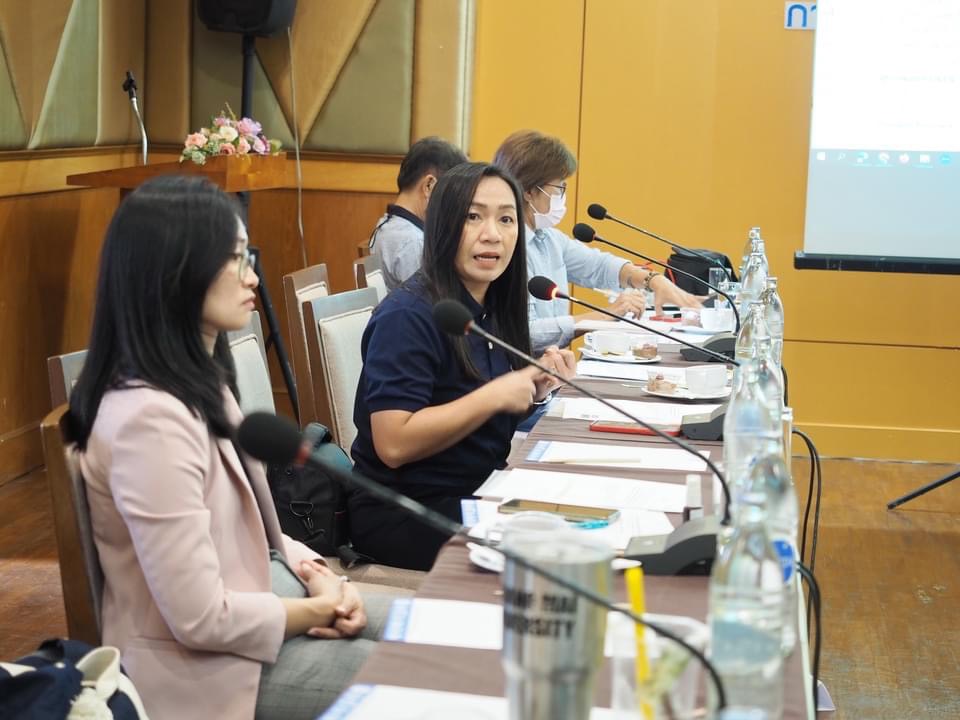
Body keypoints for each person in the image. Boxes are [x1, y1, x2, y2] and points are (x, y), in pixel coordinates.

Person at [69, 176, 389, 720]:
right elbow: (199, 619)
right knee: (425, 675)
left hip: (263, 602)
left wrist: (320, 574)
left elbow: (255, 532)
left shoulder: (199, 382)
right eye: (235, 258)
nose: (252, 276)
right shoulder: (147, 420)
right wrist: (315, 611)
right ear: (175, 271)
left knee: (441, 632)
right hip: (203, 672)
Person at [349, 162, 576, 571]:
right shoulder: (408, 316)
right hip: (408, 512)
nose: (492, 234)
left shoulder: (489, 307)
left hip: (479, 492)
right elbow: (393, 444)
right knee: (560, 549)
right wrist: (494, 396)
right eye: (473, 217)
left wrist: (532, 391)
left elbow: (472, 419)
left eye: (506, 219)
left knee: (581, 519)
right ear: (442, 225)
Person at [493, 130, 703, 353]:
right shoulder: (505, 247)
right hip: (521, 371)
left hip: (554, 367)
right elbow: (525, 333)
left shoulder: (548, 238)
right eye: (559, 188)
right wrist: (606, 315)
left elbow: (598, 266)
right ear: (529, 191)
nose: (563, 196)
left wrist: (654, 280)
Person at [369, 136, 468, 291]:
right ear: (429, 185)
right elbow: (429, 299)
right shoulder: (414, 242)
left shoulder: (385, 225)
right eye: (451, 194)